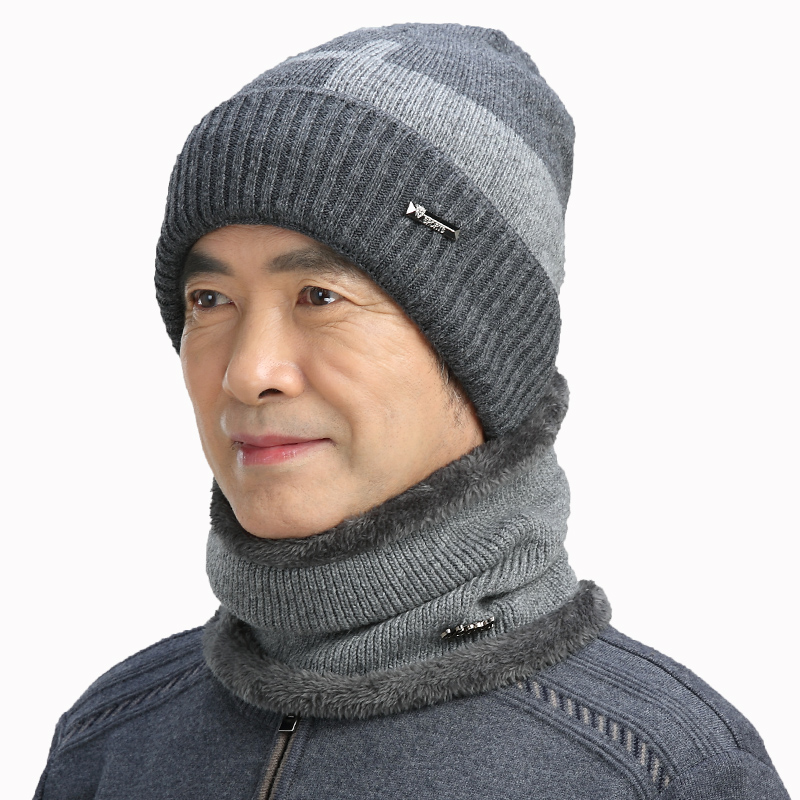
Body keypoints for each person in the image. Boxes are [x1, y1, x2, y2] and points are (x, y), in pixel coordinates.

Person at [34, 22, 789, 799]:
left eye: (319, 295)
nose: (248, 372)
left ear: (482, 352)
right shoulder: (111, 742)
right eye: (210, 299)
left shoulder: (662, 770)